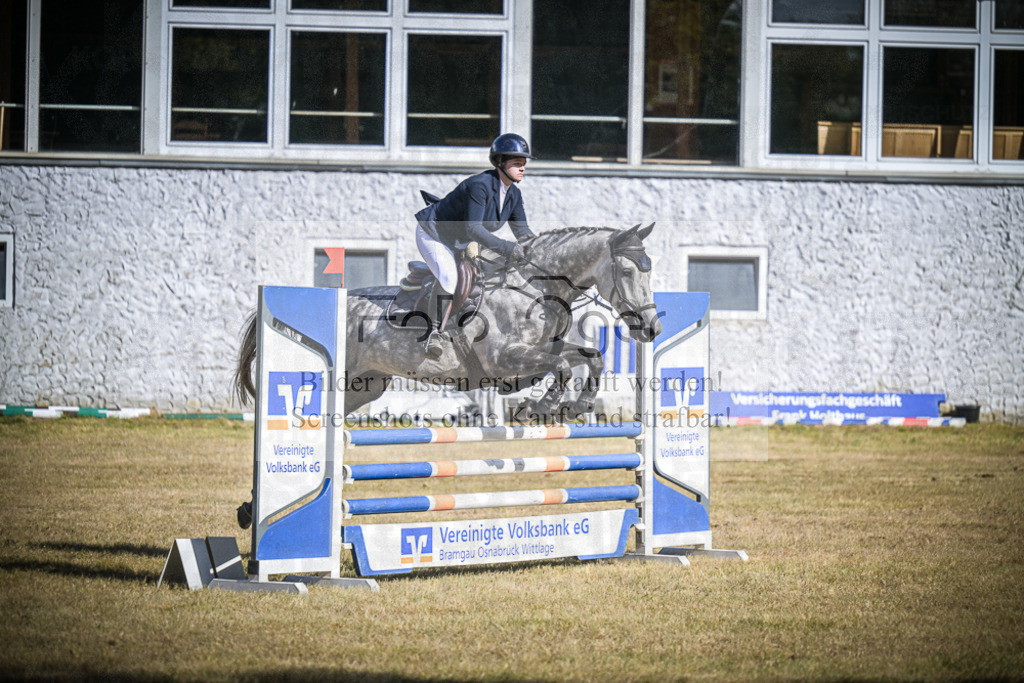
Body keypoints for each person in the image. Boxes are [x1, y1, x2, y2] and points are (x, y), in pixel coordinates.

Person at [414, 133, 536, 358]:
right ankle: (434, 332)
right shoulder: (479, 185)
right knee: (450, 279)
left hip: (461, 241)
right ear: (500, 162)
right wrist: (508, 248)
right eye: (517, 163)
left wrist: (538, 249)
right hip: (434, 234)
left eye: (524, 164)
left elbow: (523, 233)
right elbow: (473, 228)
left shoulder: (514, 195)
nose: (522, 168)